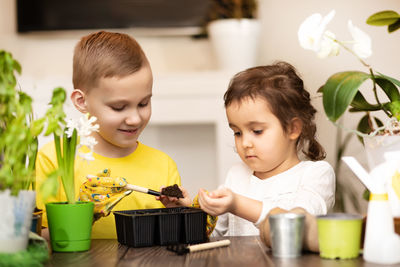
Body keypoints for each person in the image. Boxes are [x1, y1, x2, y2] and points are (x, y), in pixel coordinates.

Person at [35, 31, 190, 239]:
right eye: (118, 107)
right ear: (81, 101)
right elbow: (36, 240)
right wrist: (81, 214)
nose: (135, 119)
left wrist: (183, 212)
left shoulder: (163, 166)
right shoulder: (52, 160)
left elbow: (176, 240)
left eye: (143, 103)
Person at [197, 62, 335, 251]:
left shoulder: (316, 175)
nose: (245, 142)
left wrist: (237, 204)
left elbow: (296, 225)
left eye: (257, 131)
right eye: (237, 132)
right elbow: (213, 236)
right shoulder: (236, 175)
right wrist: (189, 211)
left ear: (293, 128)